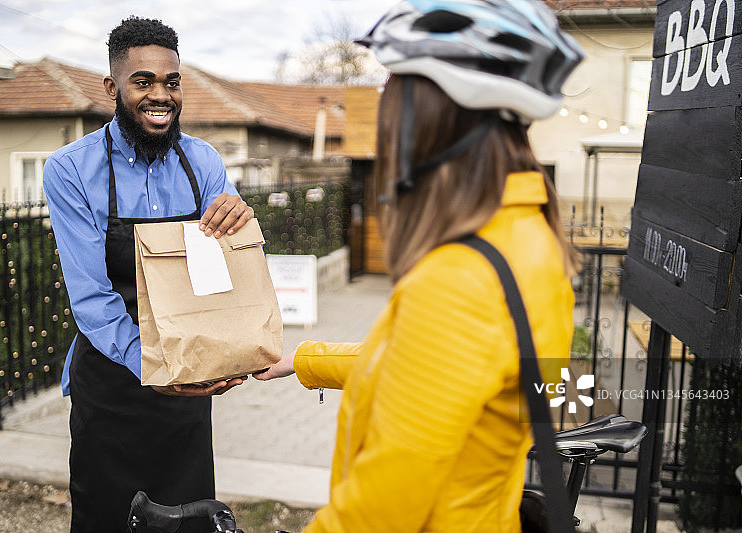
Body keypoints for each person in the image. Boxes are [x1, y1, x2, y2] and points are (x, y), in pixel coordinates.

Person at [254, 1, 584, 531]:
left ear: (428, 118)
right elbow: (432, 370)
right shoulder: (527, 239)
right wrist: (305, 359)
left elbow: (377, 513)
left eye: (394, 99)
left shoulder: (461, 280)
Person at [42, 16, 253, 532]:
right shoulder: (70, 170)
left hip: (186, 379)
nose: (161, 94)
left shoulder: (203, 162)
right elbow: (92, 297)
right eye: (144, 82)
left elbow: (218, 275)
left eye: (171, 82)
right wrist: (156, 367)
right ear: (113, 87)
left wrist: (239, 223)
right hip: (113, 381)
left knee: (190, 518)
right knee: (106, 519)